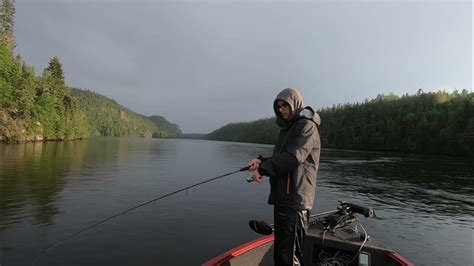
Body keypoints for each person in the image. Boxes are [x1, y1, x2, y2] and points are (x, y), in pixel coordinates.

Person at [248, 88, 321, 266]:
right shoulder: (288, 128)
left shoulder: (306, 126)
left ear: (295, 104)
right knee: (282, 254)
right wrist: (260, 161)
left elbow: (292, 158)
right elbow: (280, 157)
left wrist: (263, 169)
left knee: (290, 257)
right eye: (278, 106)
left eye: (285, 105)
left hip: (295, 200)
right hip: (284, 199)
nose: (281, 109)